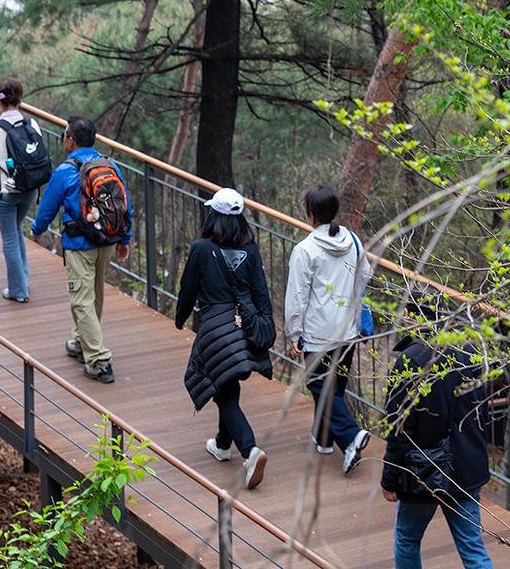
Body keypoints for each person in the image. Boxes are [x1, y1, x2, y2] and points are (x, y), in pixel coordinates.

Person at [380, 307, 493, 569]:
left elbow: (398, 427)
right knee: (472, 546)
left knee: (407, 538)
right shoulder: (470, 354)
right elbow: (484, 412)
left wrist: (389, 478)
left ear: (414, 317)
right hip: (466, 467)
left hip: (424, 471)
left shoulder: (410, 360)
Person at [175, 188, 272, 490]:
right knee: (226, 382)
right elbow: (261, 294)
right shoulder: (251, 250)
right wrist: (265, 326)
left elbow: (188, 287)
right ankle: (221, 444)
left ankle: (250, 450)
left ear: (213, 215)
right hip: (244, 326)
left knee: (224, 391)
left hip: (216, 328)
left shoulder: (202, 248)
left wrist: (180, 318)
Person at [31, 116, 131, 384]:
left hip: (80, 244)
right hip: (107, 241)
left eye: (65, 136)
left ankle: (98, 360)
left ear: (71, 141)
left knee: (81, 298)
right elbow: (124, 204)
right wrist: (125, 238)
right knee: (94, 293)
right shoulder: (109, 165)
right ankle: (80, 341)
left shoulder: (65, 171)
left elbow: (48, 207)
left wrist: (36, 229)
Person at [284, 184, 373, 473]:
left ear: (310, 213)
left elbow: (297, 296)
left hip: (318, 334)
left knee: (321, 388)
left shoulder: (305, 250)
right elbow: (365, 275)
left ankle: (350, 436)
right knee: (334, 388)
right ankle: (323, 439)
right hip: (347, 331)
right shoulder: (353, 241)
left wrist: (293, 334)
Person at [0, 78, 44, 304]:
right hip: (30, 189)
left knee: (9, 239)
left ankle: (18, 290)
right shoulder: (31, 124)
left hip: (5, 191)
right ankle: (22, 277)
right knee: (15, 228)